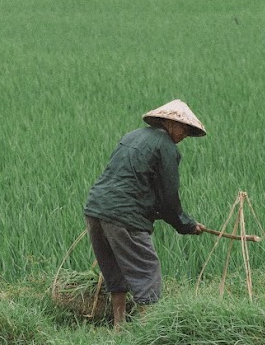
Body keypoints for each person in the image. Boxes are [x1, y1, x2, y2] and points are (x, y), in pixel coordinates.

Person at [83, 99, 207, 328]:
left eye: (189, 132)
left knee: (114, 270)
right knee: (146, 269)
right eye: (184, 129)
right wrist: (186, 225)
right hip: (124, 214)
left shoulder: (132, 136)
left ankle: (119, 328)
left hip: (95, 208)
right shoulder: (166, 147)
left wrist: (177, 220)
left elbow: (137, 186)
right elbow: (168, 197)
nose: (185, 136)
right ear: (169, 123)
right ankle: (147, 334)